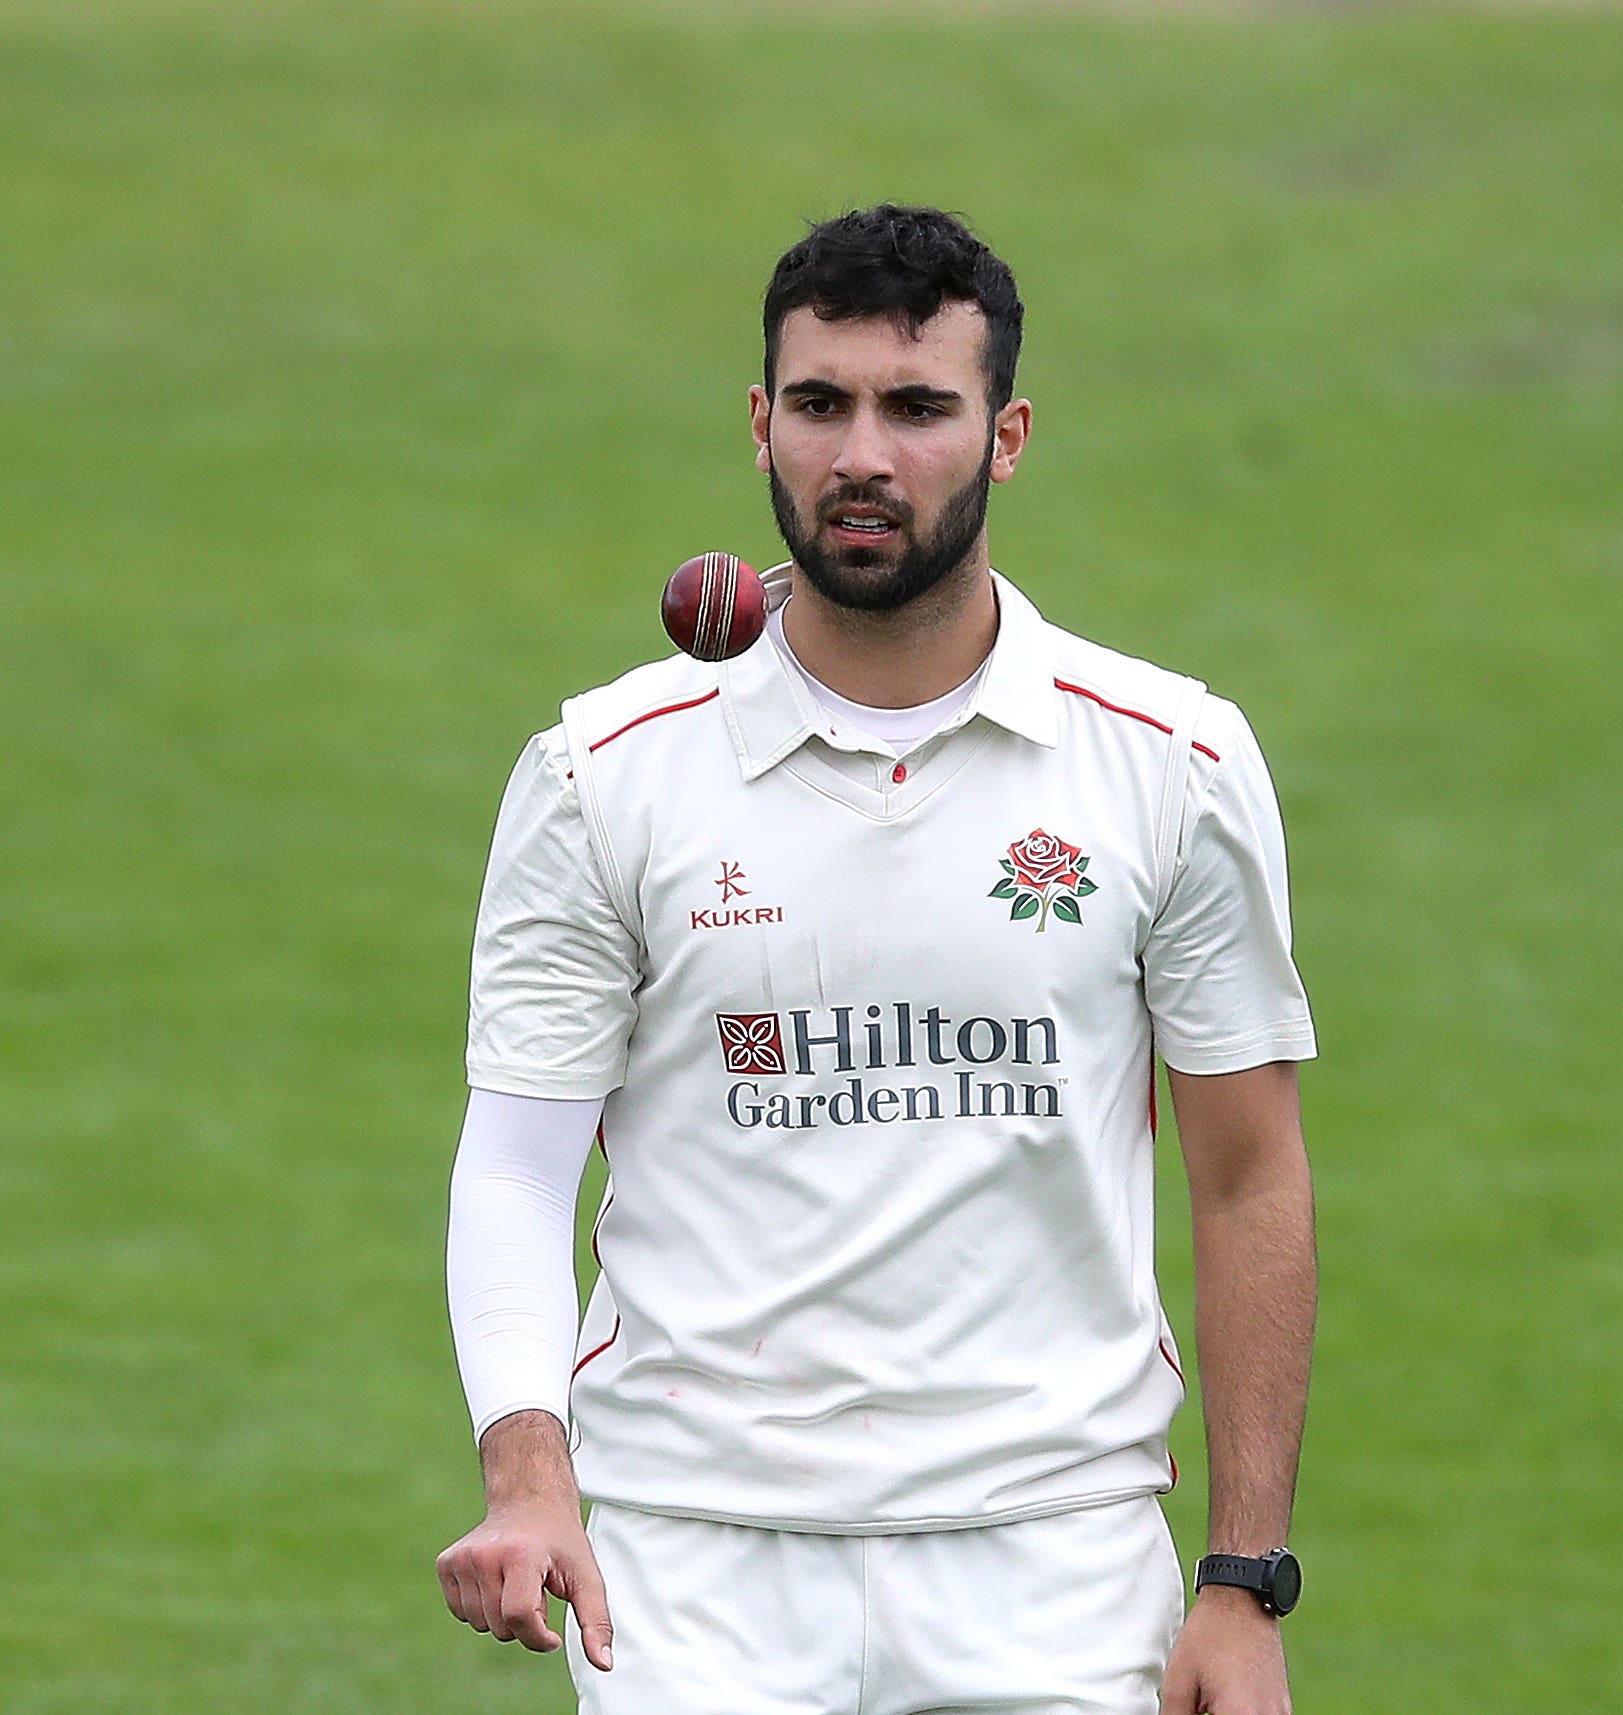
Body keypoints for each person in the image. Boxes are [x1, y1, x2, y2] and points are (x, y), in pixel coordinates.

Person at [436, 204, 1319, 1715]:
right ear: (760, 425)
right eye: (822, 404)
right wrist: (530, 1477)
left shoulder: (1170, 763)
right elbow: (518, 1162)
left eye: (919, 408)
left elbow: (1249, 1176)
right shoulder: (604, 772)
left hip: (1049, 1565)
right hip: (692, 1572)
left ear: (1007, 434)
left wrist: (1242, 1583)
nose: (865, 454)